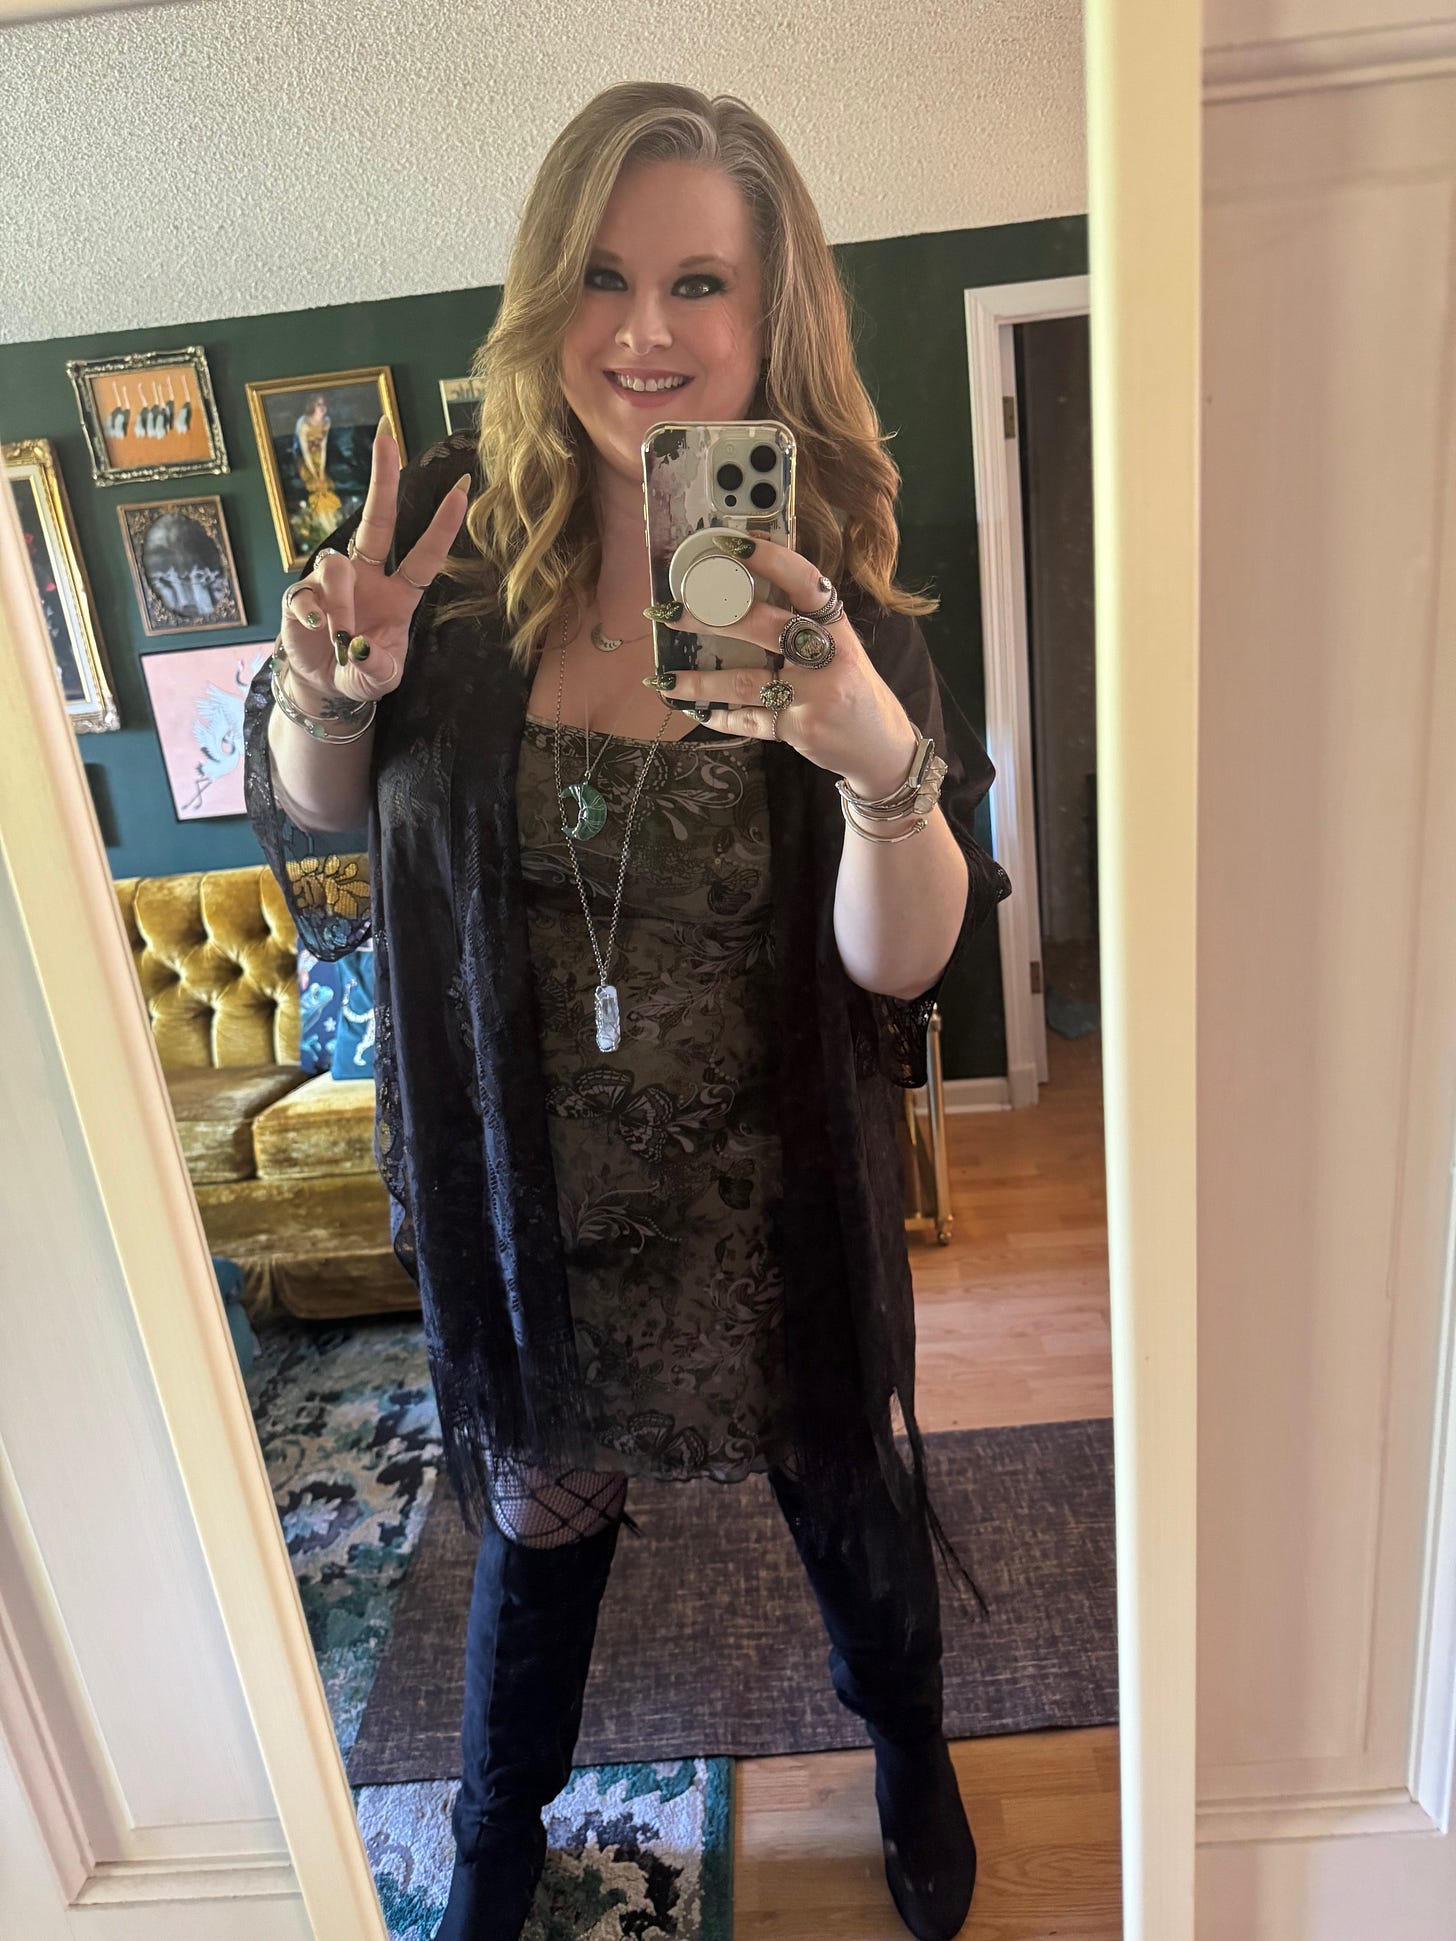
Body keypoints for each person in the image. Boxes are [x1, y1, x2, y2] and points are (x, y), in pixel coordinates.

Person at [242, 80, 1011, 1941]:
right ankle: (494, 1845)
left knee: (851, 1517)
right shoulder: (455, 577)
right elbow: (323, 815)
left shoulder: (838, 609)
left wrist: (870, 752)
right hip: (537, 1216)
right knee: (535, 1544)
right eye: (602, 276)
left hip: (770, 1212)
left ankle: (909, 1752)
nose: (646, 330)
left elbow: (906, 959)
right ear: (545, 300)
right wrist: (333, 689)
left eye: (699, 283)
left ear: (770, 315)